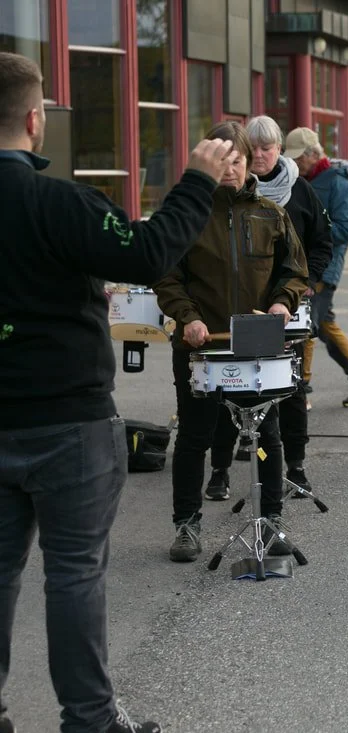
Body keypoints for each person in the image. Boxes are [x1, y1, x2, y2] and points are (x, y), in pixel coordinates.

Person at [0, 51, 238, 733]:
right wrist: (196, 180)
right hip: (67, 420)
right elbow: (145, 253)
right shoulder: (57, 201)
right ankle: (90, 720)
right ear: (35, 120)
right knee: (73, 574)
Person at [155, 121, 309, 564]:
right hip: (201, 345)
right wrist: (187, 317)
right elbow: (166, 275)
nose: (230, 170)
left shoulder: (271, 213)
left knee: (266, 433)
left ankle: (271, 521)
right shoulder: (187, 214)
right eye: (222, 162)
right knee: (194, 436)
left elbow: (294, 270)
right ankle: (187, 524)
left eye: (237, 161)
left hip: (257, 342)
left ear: (248, 163)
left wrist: (282, 301)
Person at [205, 116, 333, 502]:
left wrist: (304, 285)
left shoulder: (301, 191)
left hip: (284, 309)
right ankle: (220, 470)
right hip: (236, 310)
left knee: (289, 392)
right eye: (254, 149)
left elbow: (322, 243)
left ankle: (296, 467)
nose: (260, 155)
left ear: (280, 150)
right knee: (228, 390)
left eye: (267, 148)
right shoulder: (230, 191)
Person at [285, 127, 348, 407]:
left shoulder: (339, 184)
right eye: (292, 158)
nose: (295, 162)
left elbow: (344, 230)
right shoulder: (303, 180)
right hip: (303, 266)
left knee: (304, 325)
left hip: (323, 268)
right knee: (324, 325)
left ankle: (300, 393)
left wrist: (307, 232)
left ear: (314, 154)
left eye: (299, 157)